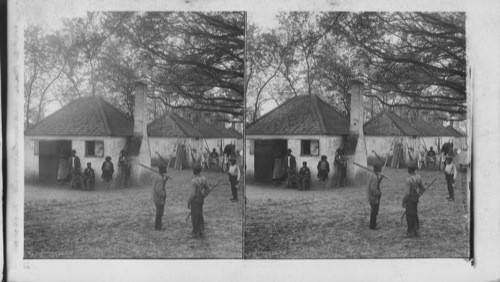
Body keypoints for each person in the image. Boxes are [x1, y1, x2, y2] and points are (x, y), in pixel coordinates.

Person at [402, 164, 426, 238]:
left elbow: (407, 193)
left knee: (409, 216)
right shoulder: (418, 177)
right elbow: (423, 187)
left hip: (409, 199)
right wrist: (419, 193)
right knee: (415, 214)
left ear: (409, 170)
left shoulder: (408, 180)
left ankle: (410, 232)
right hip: (415, 197)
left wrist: (403, 201)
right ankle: (417, 231)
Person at [188, 163, 211, 238]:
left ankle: (195, 233)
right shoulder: (204, 178)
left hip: (195, 201)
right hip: (201, 200)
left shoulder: (194, 181)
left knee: (195, 217)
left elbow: (192, 195)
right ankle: (202, 232)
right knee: (200, 215)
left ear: (194, 171)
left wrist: (188, 202)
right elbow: (208, 189)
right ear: (201, 170)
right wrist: (204, 195)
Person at [152, 164, 169, 230]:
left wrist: (166, 179)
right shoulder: (159, 178)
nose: (166, 170)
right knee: (159, 212)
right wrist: (164, 194)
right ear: (161, 170)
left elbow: (162, 185)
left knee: (160, 211)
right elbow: (158, 190)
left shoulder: (159, 176)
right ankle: (158, 226)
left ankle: (158, 225)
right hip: (159, 197)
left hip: (157, 197)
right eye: (165, 169)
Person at [367, 163, 383, 230]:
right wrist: (379, 193)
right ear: (376, 168)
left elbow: (376, 183)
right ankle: (372, 226)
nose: (381, 169)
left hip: (371, 195)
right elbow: (373, 188)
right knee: (374, 211)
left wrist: (380, 179)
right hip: (373, 196)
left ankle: (373, 225)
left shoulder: (373, 175)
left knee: (374, 211)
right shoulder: (374, 177)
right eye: (380, 167)